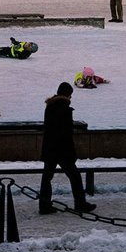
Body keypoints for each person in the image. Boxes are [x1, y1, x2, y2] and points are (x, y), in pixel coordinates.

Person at [38, 81, 96, 215]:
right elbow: (66, 134)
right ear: (68, 94)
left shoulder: (50, 106)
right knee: (75, 177)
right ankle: (80, 203)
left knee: (47, 177)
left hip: (50, 148)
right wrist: (72, 153)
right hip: (62, 150)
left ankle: (44, 205)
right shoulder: (64, 109)